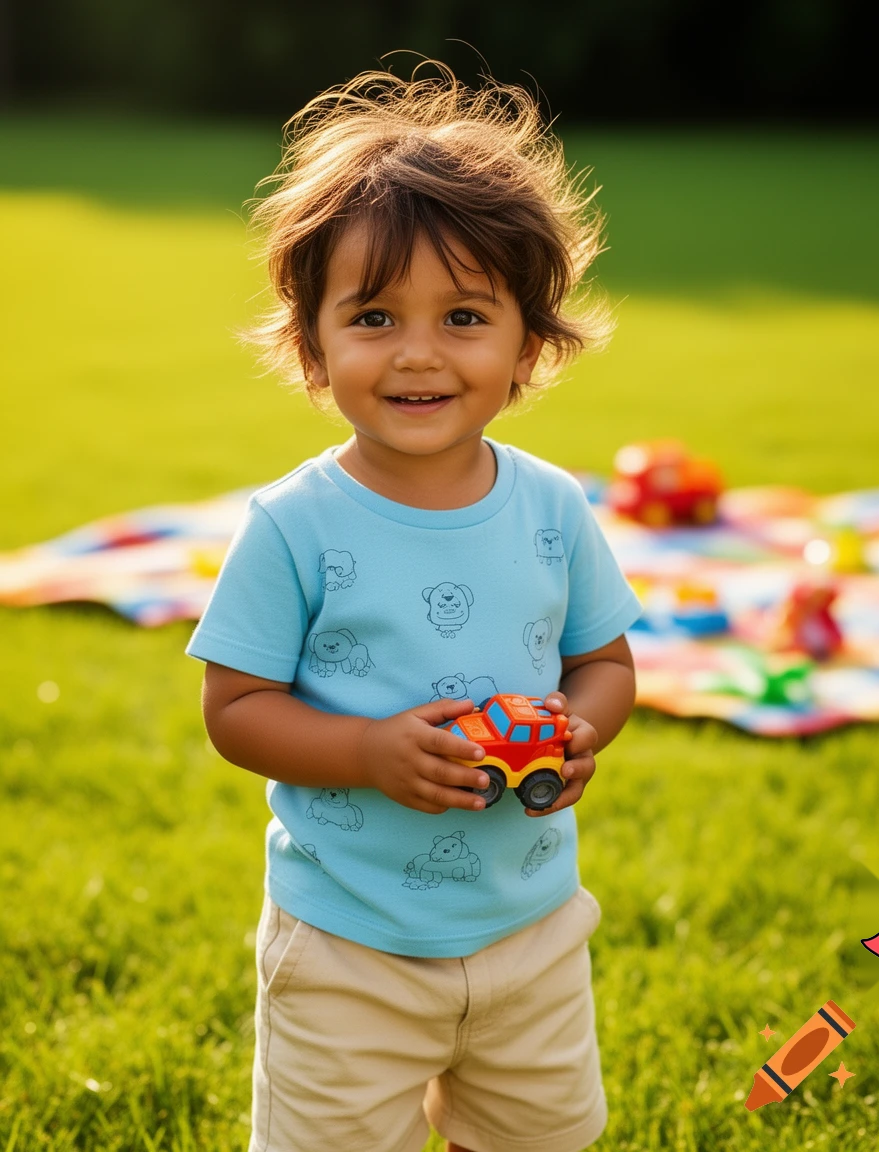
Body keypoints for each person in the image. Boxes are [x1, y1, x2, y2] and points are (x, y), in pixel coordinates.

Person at [187, 61, 641, 1152]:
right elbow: (235, 707)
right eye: (375, 315)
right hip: (349, 943)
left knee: (546, 1137)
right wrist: (366, 752)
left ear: (526, 344)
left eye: (466, 315)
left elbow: (605, 662)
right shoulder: (295, 525)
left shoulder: (549, 508)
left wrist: (583, 729)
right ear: (314, 344)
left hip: (528, 928)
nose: (420, 352)